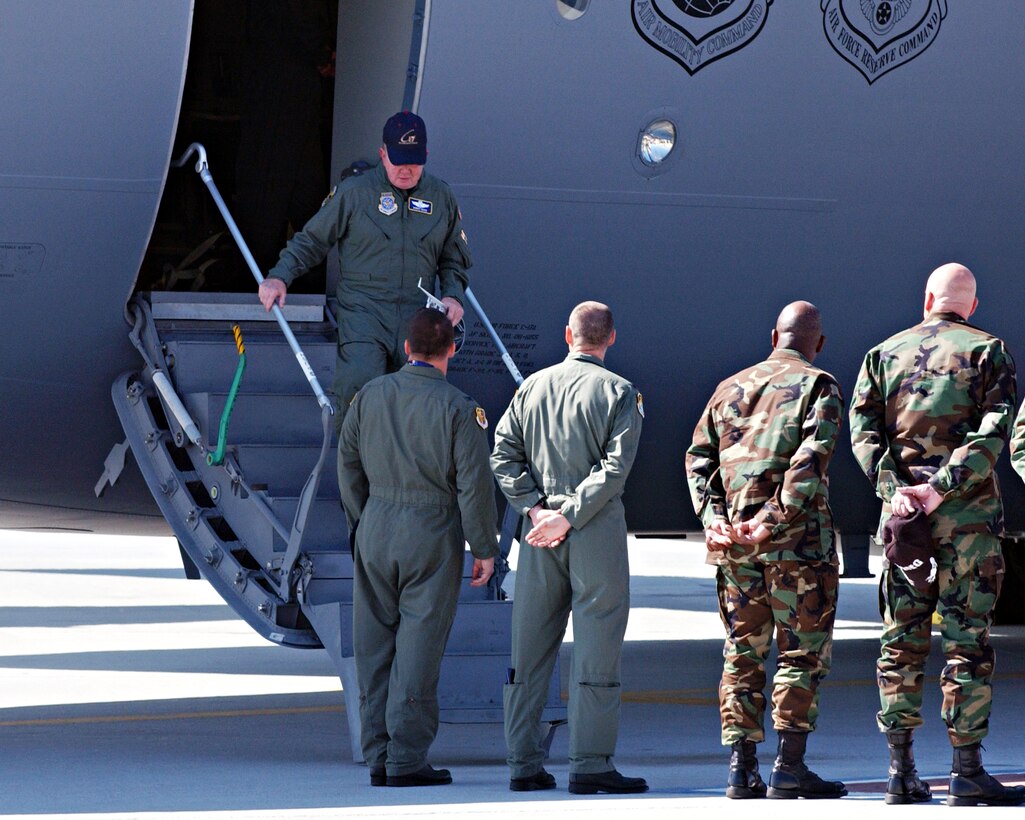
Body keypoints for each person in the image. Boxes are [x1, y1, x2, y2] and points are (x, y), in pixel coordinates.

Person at [850, 262, 1025, 807]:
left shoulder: (883, 353)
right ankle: (966, 772)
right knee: (966, 644)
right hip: (968, 523)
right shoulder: (987, 351)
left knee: (900, 642)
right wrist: (944, 486)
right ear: (970, 304)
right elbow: (996, 430)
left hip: (906, 526)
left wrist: (895, 490)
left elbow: (862, 430)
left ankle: (900, 772)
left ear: (928, 299)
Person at [685, 301, 847, 800]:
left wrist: (716, 522)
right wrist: (770, 522)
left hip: (734, 548)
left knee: (741, 654)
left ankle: (740, 770)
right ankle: (789, 768)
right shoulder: (820, 387)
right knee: (800, 654)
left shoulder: (728, 388)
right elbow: (809, 465)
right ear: (818, 342)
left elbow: (698, 460)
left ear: (772, 334)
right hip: (798, 549)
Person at [491, 301, 648, 795]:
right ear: (611, 338)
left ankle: (522, 762)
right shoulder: (620, 392)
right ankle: (591, 762)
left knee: (531, 646)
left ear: (567, 335)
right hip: (592, 529)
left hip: (539, 536)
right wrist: (570, 513)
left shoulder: (530, 387)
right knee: (597, 644)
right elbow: (615, 468)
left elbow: (503, 452)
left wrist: (535, 510)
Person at [337, 308, 498, 787]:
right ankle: (406, 759)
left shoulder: (369, 396)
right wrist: (484, 548)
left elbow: (347, 465)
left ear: (405, 349)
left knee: (373, 645)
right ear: (452, 350)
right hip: (430, 531)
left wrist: (362, 522)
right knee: (418, 650)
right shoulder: (458, 408)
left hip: (376, 523)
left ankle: (378, 755)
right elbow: (474, 486)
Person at [259, 111, 471, 428]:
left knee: (418, 405)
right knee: (361, 390)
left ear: (425, 155)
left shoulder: (441, 198)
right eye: (398, 161)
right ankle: (356, 474)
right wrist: (279, 276)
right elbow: (312, 241)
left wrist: (453, 296)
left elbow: (453, 257)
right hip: (364, 313)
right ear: (382, 153)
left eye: (413, 161)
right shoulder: (355, 193)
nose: (405, 170)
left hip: (417, 316)